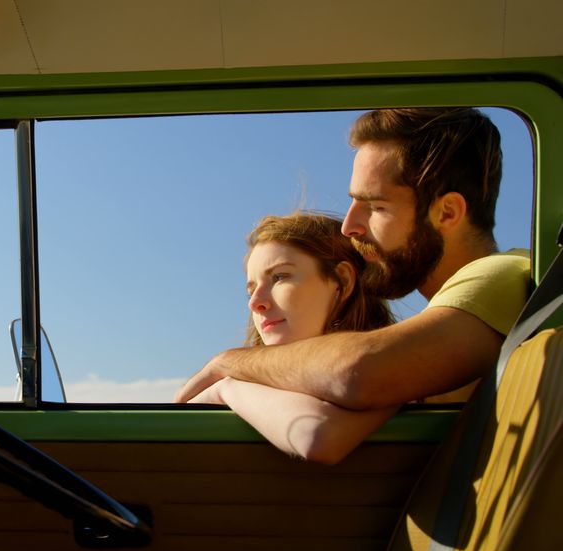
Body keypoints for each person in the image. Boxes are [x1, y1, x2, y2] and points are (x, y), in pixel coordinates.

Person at [175, 107, 531, 420]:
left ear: (447, 212)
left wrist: (231, 365)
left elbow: (357, 372)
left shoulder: (505, 273)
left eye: (375, 207)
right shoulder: (448, 312)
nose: (349, 227)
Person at [189, 213, 397, 464]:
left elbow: (314, 434)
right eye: (252, 289)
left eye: (279, 277)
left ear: (342, 280)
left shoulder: (390, 363)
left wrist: (226, 387)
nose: (256, 303)